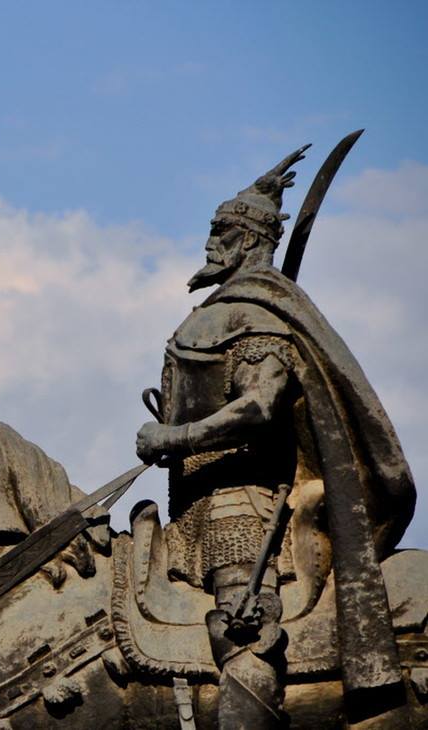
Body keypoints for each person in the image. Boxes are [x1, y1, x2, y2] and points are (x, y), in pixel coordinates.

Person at [135, 147, 415, 727]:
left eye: (220, 232)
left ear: (248, 240)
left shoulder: (257, 316)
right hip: (194, 505)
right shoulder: (227, 310)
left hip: (241, 507)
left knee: (242, 632)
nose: (209, 243)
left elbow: (260, 407)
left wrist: (173, 436)